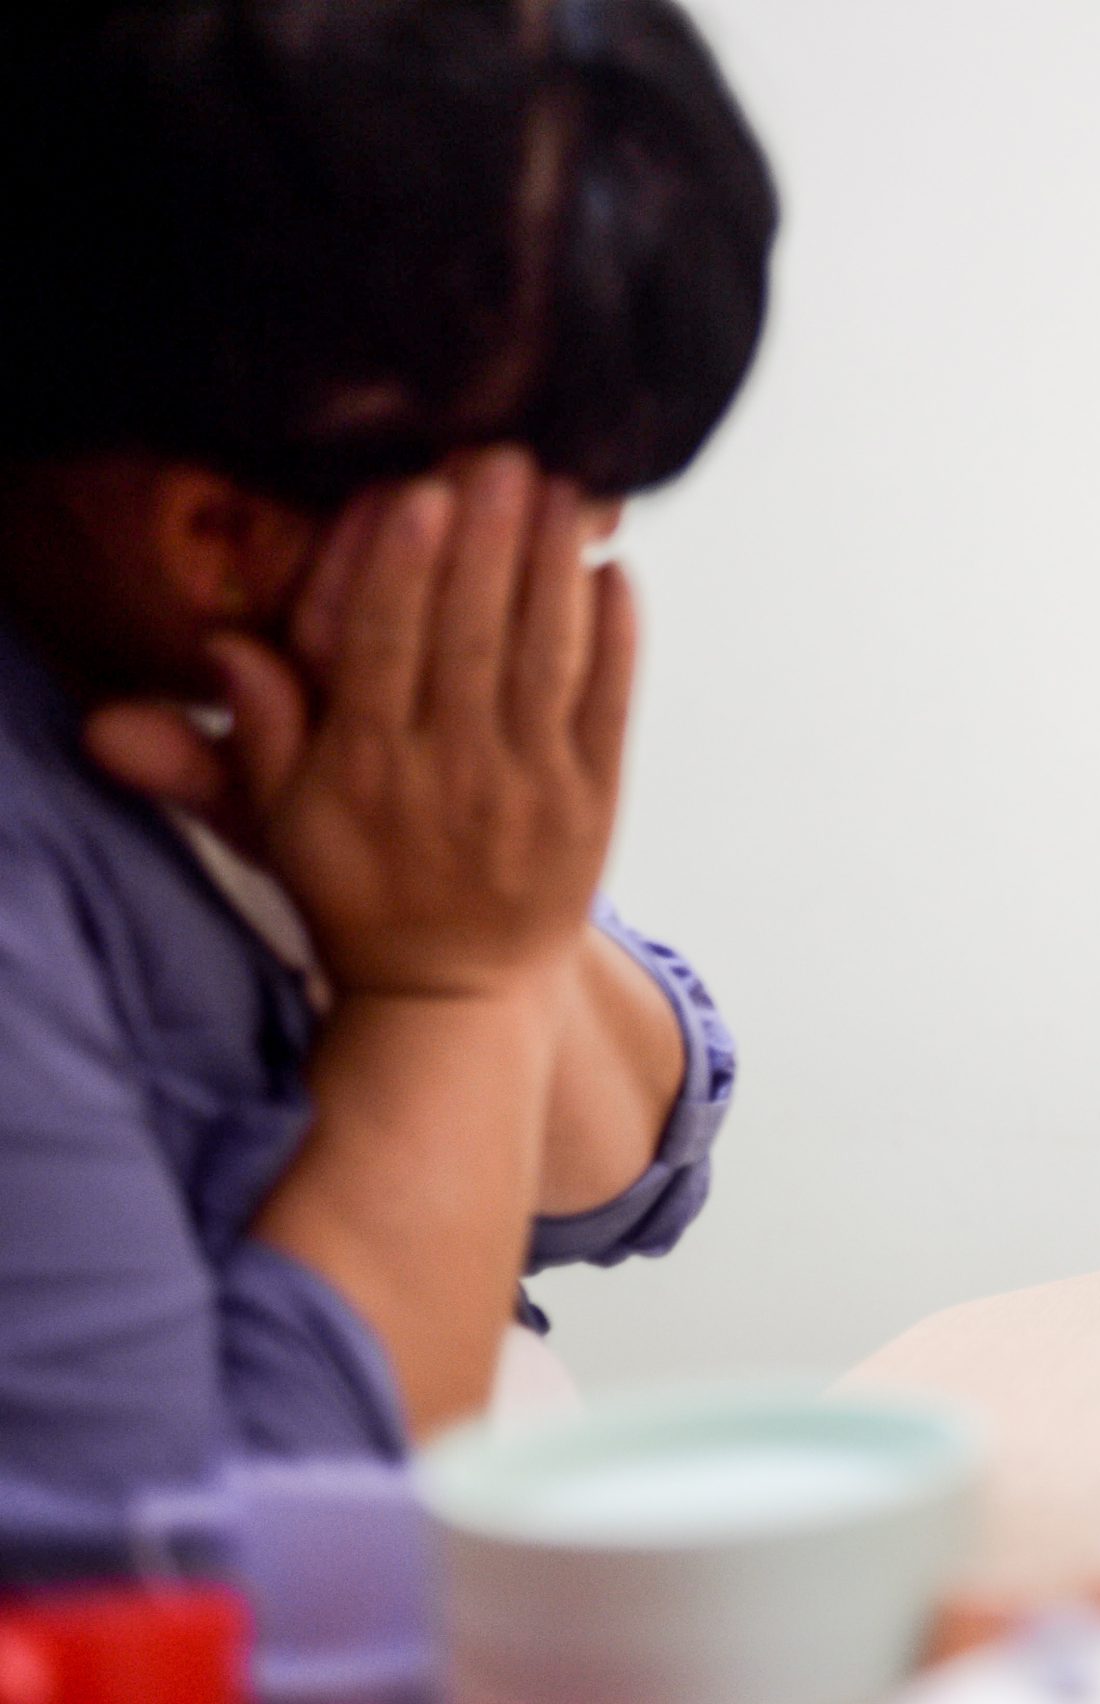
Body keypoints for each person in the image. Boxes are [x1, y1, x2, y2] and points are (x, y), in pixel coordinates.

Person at [0, 0, 777, 1633]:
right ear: (219, 536)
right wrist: (448, 987)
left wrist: (480, 941)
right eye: (550, 505)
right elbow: (212, 1619)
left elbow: (633, 1160)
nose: (583, 554)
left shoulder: (225, 688)